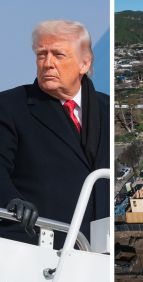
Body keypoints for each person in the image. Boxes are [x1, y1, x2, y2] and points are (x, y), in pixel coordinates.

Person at [0, 20, 109, 248]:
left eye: (58, 55)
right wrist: (11, 199)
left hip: (98, 249)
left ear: (84, 63)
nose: (48, 63)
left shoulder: (106, 107)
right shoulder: (10, 106)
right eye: (42, 55)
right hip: (35, 248)